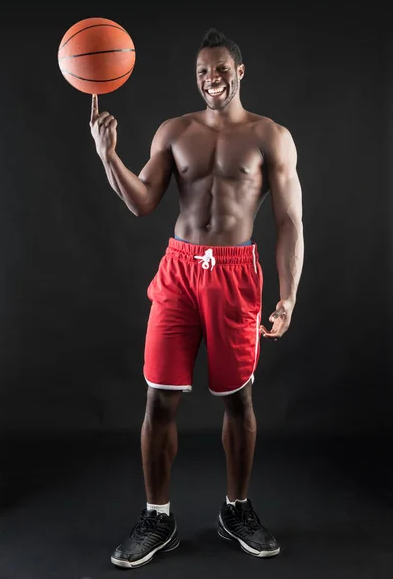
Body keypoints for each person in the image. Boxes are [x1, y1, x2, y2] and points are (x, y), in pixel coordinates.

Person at [90, 28, 304, 569]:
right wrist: (108, 155)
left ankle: (237, 510)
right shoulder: (174, 131)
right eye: (203, 72)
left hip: (236, 274)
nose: (212, 78)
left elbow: (289, 221)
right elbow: (142, 202)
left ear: (240, 71)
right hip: (179, 270)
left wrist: (288, 298)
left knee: (239, 398)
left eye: (220, 69)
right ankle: (157, 518)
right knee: (159, 397)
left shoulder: (269, 136)